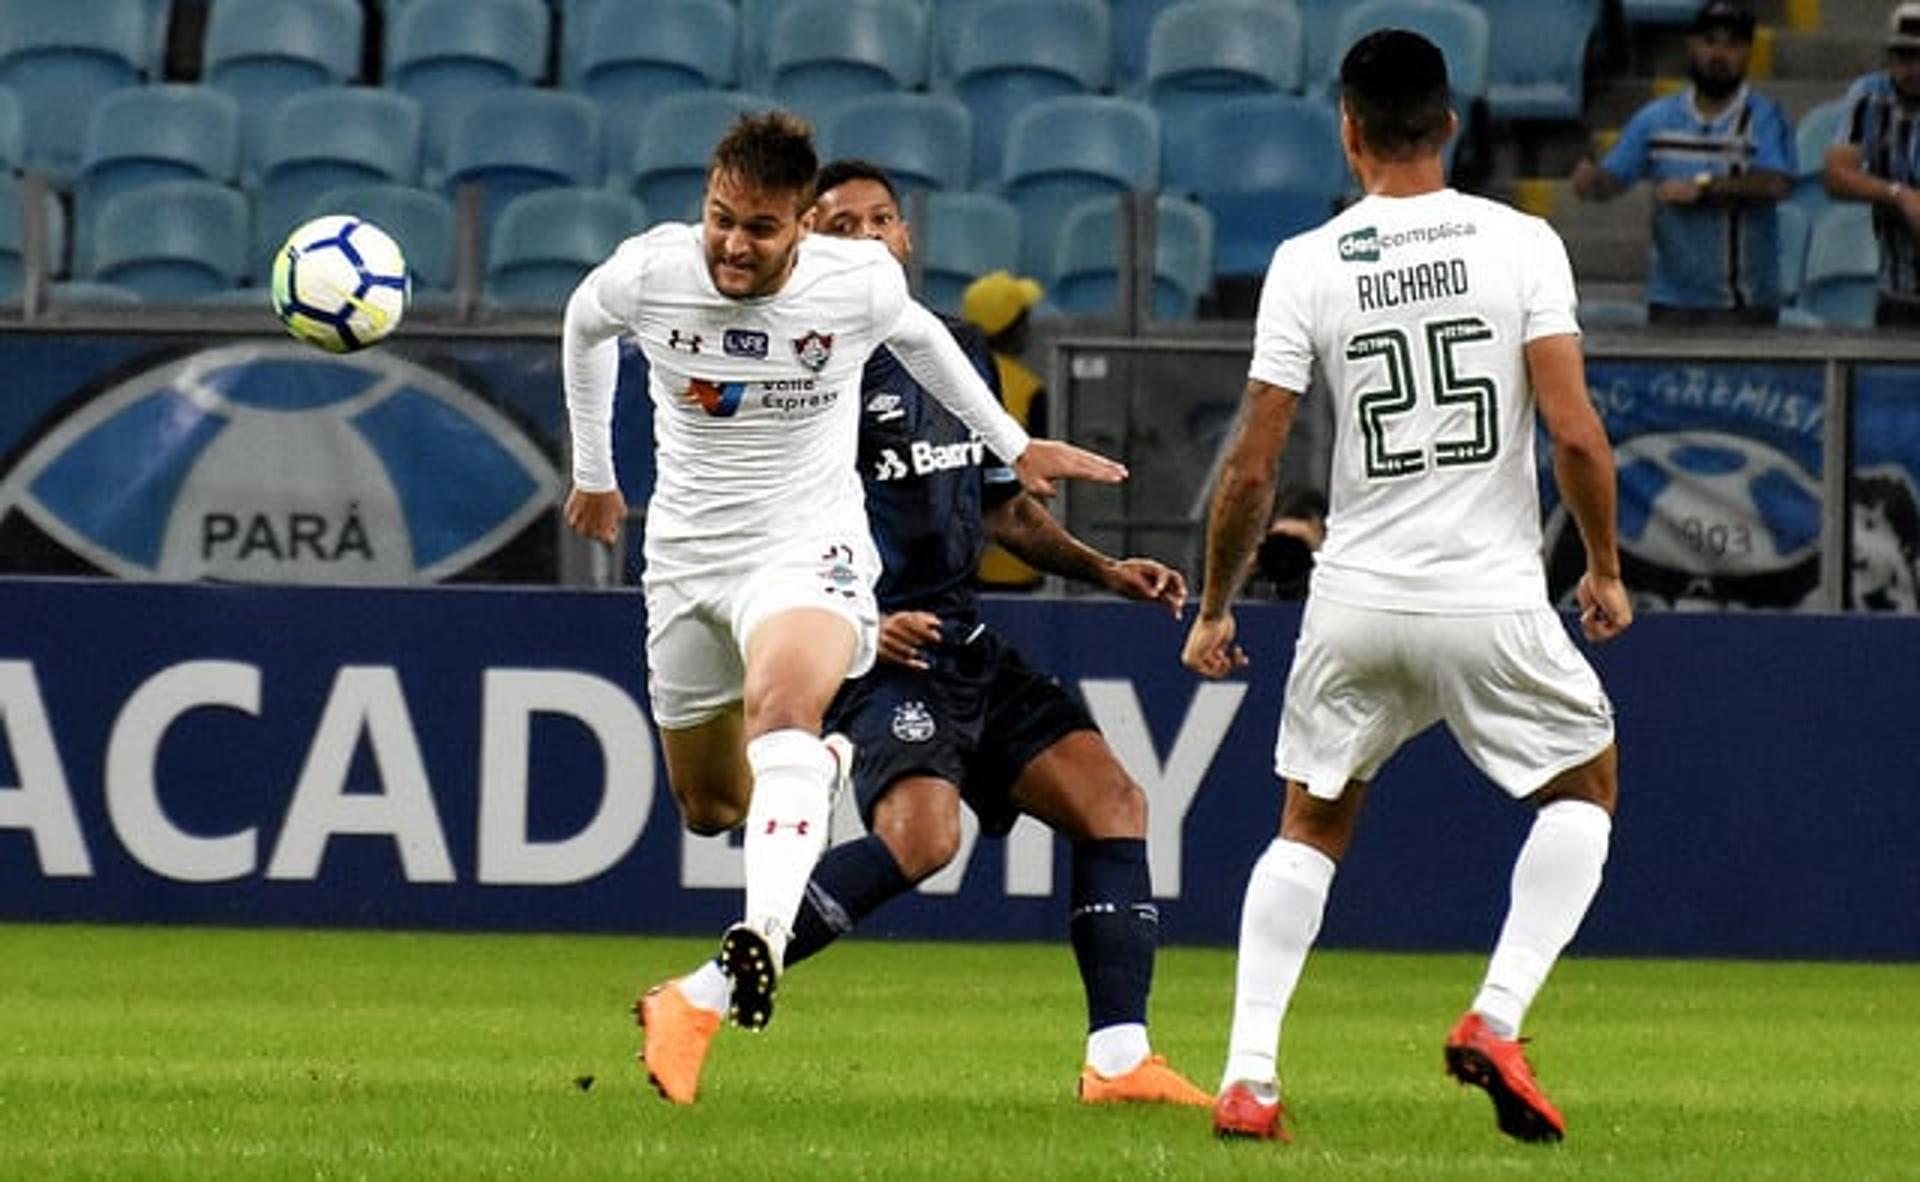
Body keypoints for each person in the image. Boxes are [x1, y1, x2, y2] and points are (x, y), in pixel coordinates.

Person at [634, 158, 1210, 1108]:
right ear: (811, 241)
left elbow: (1003, 510)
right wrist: (859, 609)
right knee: (921, 839)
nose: (866, 237)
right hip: (876, 639)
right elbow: (777, 520)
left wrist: (1106, 571)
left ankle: (1118, 1060)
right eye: (840, 224)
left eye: (881, 220)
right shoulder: (810, 359)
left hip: (963, 637)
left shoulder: (954, 351)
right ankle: (699, 997)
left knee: (1112, 803)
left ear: (906, 237)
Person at [561, 113, 1125, 1056]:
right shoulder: (651, 270)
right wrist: (592, 472)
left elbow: (927, 345)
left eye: (761, 227)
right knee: (709, 807)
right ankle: (814, 775)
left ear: (798, 228)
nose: (735, 245)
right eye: (721, 219)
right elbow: (583, 329)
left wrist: (1013, 444)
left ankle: (763, 934)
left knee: (785, 713)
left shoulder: (854, 282)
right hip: (687, 562)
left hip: (804, 548)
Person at [1181, 29, 1632, 1145]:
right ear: (1452, 125)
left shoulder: (1309, 260)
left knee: (1309, 823)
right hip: (1489, 595)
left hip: (1356, 598)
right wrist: (1607, 569)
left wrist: (1215, 604)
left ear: (1348, 130)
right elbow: (1574, 432)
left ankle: (1247, 1079)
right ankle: (1496, 1015)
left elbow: (1252, 463)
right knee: (1584, 790)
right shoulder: (1522, 242)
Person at [1569, 0, 1793, 326]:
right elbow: (1613, 179)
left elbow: (1776, 183)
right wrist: (1592, 181)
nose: (1718, 55)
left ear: (1748, 52)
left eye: (1732, 45)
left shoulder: (1764, 117)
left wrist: (1705, 188)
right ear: (1691, 45)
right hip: (1670, 301)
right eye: (1710, 42)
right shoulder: (1656, 118)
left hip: (1746, 304)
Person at [1823, 1, 1920, 327]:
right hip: (1895, 287)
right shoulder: (1869, 95)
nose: (1912, 70)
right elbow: (1836, 175)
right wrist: (1898, 193)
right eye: (1904, 58)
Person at [962, 269, 1049, 590]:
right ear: (1011, 329)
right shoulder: (1029, 389)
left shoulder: (949, 377)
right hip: (1015, 559)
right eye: (1024, 319)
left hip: (953, 556)